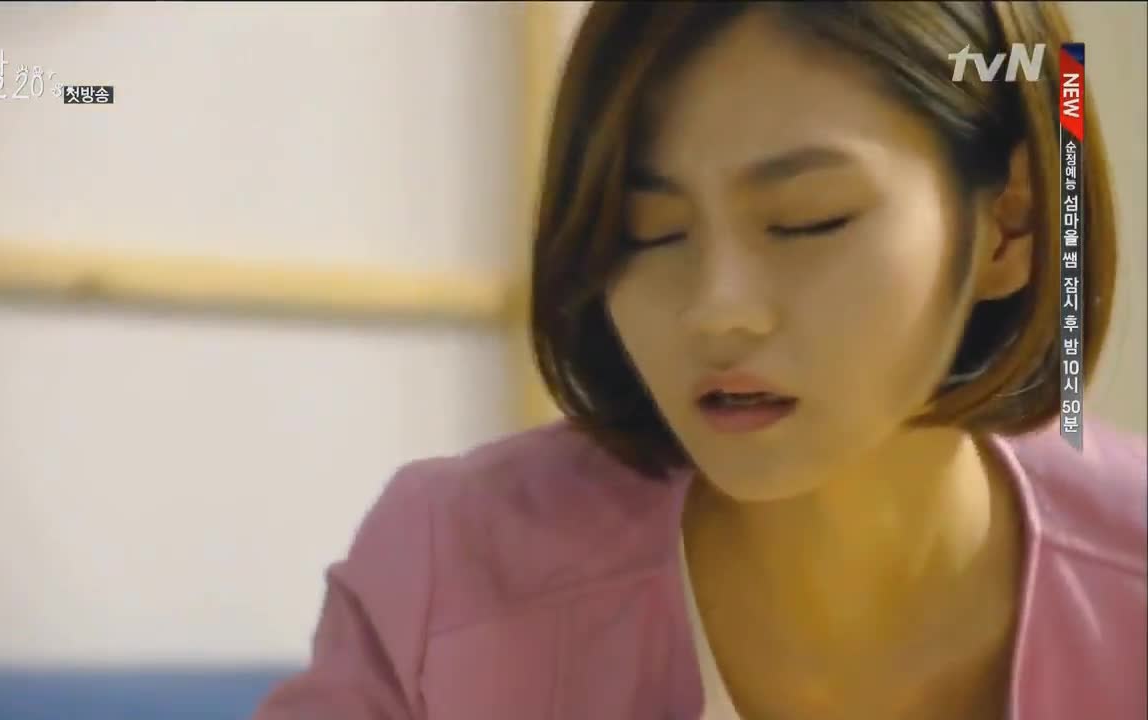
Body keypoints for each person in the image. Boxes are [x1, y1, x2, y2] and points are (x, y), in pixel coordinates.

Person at [254, 2, 1146, 718]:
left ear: (1011, 227)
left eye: (807, 220)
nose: (716, 309)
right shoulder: (449, 572)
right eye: (650, 232)